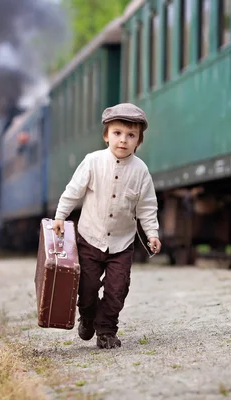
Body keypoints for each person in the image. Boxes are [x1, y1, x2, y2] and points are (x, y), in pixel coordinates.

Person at [52, 103, 162, 349]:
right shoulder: (93, 162)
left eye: (131, 135)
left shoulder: (141, 171)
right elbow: (73, 192)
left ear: (138, 141)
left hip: (122, 244)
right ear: (106, 135)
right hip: (90, 238)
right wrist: (61, 216)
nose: (123, 140)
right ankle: (88, 318)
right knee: (87, 288)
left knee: (117, 290)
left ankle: (106, 331)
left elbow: (147, 207)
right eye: (117, 133)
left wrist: (152, 233)